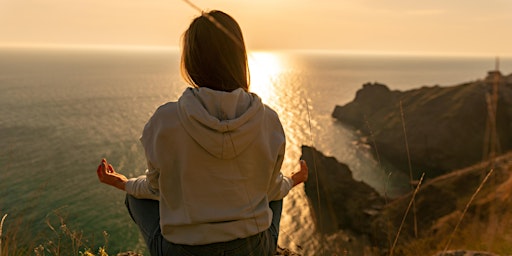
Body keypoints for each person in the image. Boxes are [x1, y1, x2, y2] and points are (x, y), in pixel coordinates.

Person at [96, 10, 308, 256]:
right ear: (239, 57)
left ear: (191, 60)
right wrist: (293, 180)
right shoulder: (269, 120)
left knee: (134, 197)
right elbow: (271, 191)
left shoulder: (165, 120)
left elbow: (156, 190)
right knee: (275, 193)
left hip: (183, 252)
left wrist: (124, 183)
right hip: (253, 249)